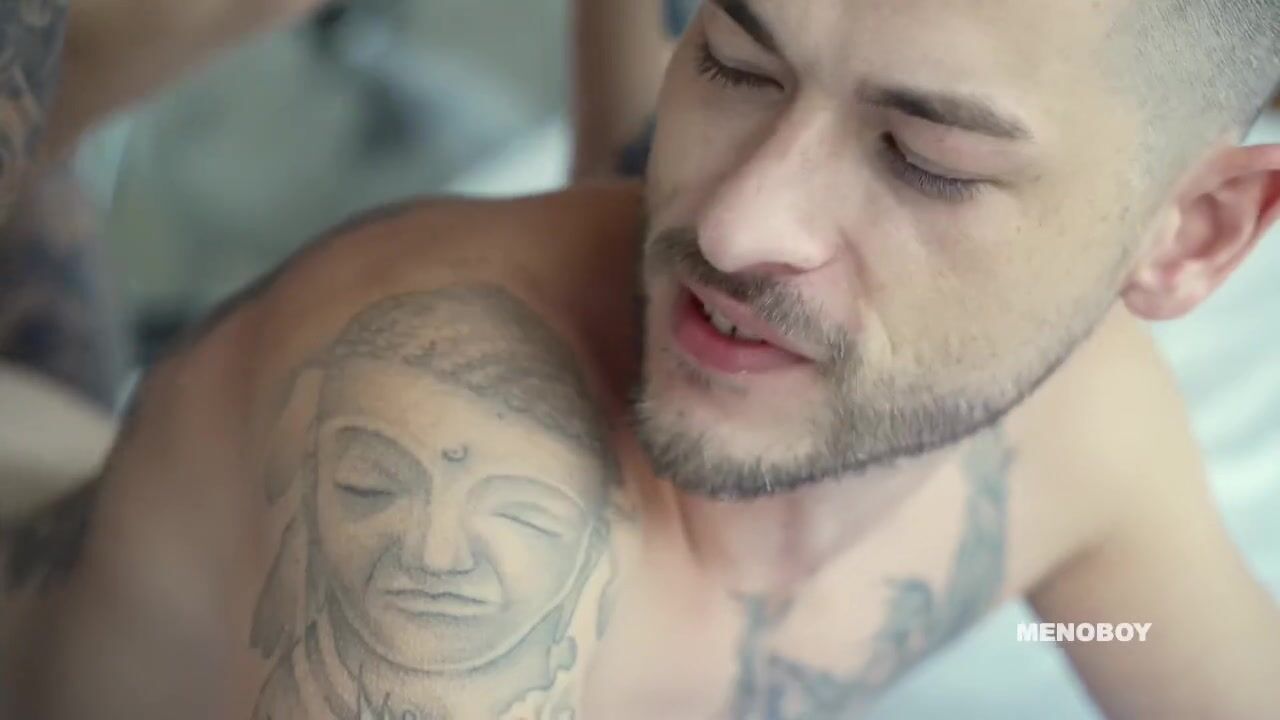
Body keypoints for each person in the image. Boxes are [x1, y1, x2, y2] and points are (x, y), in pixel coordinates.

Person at [6, 2, 1280, 719]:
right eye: (732, 63)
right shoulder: (454, 503)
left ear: (1193, 233)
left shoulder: (1083, 432)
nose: (731, 226)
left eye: (922, 160)